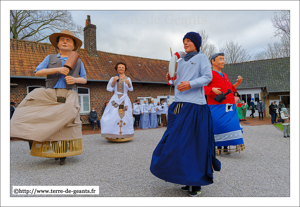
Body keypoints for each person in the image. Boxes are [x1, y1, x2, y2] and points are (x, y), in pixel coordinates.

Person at [150, 32, 221, 197]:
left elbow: (207, 77)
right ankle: (185, 177)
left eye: (189, 40)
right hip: (179, 106)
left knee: (193, 145)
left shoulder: (202, 58)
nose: (185, 43)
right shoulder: (180, 61)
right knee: (175, 143)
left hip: (195, 107)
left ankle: (195, 182)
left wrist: (190, 84)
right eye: (184, 41)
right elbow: (178, 82)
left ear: (196, 43)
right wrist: (171, 79)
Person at [10, 30, 87, 165]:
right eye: (62, 39)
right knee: (31, 98)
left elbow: (85, 80)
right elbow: (38, 71)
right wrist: (57, 69)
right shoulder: (50, 58)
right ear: (57, 44)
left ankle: (62, 152)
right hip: (50, 92)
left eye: (68, 40)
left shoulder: (79, 61)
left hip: (69, 93)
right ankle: (25, 133)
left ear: (74, 46)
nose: (64, 42)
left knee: (68, 112)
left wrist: (75, 79)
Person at [204, 52, 244, 155]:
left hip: (229, 105)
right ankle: (218, 147)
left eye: (223, 59)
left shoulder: (225, 75)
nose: (223, 61)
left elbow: (230, 88)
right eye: (220, 59)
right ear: (213, 61)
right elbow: (201, 88)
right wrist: (211, 89)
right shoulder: (209, 74)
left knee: (231, 125)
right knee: (218, 126)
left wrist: (238, 83)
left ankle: (226, 146)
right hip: (216, 105)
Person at [101, 62, 134, 141]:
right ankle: (113, 133)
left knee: (124, 115)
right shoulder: (113, 78)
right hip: (115, 98)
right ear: (116, 69)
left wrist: (129, 84)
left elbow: (131, 89)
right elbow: (109, 89)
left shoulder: (128, 79)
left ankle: (125, 133)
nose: (121, 69)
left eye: (122, 67)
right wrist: (113, 81)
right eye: (119, 67)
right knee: (112, 114)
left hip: (124, 99)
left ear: (125, 69)